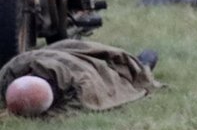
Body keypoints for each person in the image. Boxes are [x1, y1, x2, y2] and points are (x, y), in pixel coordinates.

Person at [2, 40, 159, 116]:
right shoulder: (79, 91)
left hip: (67, 54)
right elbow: (100, 93)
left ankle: (138, 64)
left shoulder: (13, 69)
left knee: (120, 62)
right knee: (125, 76)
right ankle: (141, 65)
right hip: (83, 66)